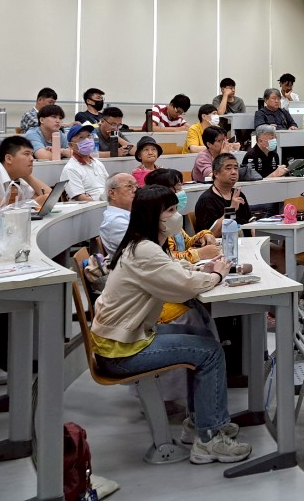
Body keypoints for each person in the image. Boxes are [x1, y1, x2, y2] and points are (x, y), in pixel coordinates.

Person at [90, 184, 252, 463]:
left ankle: (200, 421)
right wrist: (216, 276)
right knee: (210, 352)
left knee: (200, 335)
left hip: (123, 339)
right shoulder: (145, 250)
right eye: (171, 210)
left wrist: (204, 269)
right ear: (153, 216)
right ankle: (209, 439)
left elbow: (174, 271)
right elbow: (183, 287)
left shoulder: (142, 244)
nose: (177, 216)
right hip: (120, 352)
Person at [0, 135, 51, 205]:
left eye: (32, 154)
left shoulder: (19, 178)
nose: (32, 159)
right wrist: (33, 203)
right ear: (9, 159)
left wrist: (27, 176)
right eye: (26, 154)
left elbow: (50, 198)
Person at [193, 153, 251, 232]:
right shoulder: (207, 200)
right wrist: (232, 209)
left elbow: (249, 222)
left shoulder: (238, 195)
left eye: (236, 168)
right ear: (216, 173)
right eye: (228, 168)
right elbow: (211, 234)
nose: (234, 172)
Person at [62, 123, 109, 201]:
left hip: (108, 203)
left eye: (89, 136)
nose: (87, 140)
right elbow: (81, 198)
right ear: (71, 145)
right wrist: (104, 203)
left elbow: (109, 187)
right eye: (81, 137)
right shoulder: (70, 169)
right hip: (91, 206)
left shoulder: (97, 163)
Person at [99, 172, 137, 256]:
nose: (135, 190)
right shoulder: (116, 221)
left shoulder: (127, 214)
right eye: (129, 186)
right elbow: (142, 249)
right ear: (112, 193)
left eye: (136, 186)